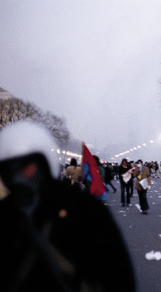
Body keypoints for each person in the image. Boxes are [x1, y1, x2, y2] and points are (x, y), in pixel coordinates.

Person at [0, 121, 135, 291]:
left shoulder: (85, 210)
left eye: (26, 169)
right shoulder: (5, 217)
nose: (18, 179)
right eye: (9, 172)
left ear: (43, 163)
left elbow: (116, 274)